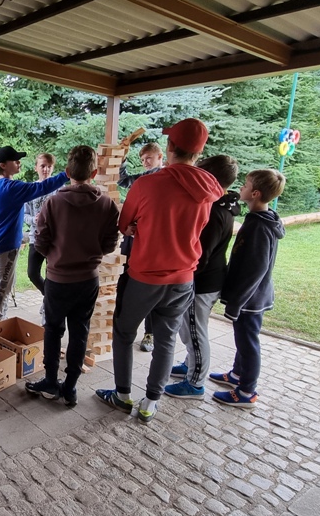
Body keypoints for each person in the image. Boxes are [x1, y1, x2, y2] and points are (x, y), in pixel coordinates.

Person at [95, 118, 224, 422]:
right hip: (183, 278)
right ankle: (150, 403)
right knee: (166, 341)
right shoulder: (208, 188)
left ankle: (122, 396)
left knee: (124, 332)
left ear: (169, 147)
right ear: (199, 152)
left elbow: (124, 224)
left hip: (145, 276)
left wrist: (137, 227)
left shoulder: (147, 184)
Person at [24, 145, 119, 406]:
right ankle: (71, 387)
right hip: (88, 280)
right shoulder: (107, 204)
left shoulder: (53, 202)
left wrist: (56, 256)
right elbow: (110, 244)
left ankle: (50, 381)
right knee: (80, 332)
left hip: (58, 279)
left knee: (53, 330)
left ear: (67, 172)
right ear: (94, 173)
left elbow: (40, 241)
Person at [164, 155, 240, 399]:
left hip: (203, 282)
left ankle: (195, 383)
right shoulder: (220, 205)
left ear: (210, 178)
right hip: (204, 278)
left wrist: (184, 275)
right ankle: (190, 365)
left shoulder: (215, 211)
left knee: (195, 333)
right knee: (189, 328)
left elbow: (201, 253)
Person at [209, 169, 286, 408]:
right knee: (242, 338)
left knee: (248, 343)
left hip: (251, 299)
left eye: (245, 184)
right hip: (251, 297)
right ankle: (237, 374)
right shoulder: (258, 219)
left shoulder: (260, 227)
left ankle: (246, 392)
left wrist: (237, 302)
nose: (240, 187)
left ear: (255, 193)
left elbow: (257, 269)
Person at [0, 146, 68, 321]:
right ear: (3, 165)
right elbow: (42, 187)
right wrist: (67, 174)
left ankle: (0, 319)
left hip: (3, 242)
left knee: (7, 283)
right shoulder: (10, 187)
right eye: (14, 160)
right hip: (7, 243)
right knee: (3, 285)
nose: (18, 162)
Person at [117, 142, 166, 352]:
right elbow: (123, 180)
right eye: (143, 159)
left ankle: (149, 333)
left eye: (149, 158)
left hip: (152, 243)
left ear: (160, 157)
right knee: (125, 278)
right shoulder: (144, 178)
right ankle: (122, 326)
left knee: (150, 289)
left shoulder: (165, 180)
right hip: (133, 238)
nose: (145, 162)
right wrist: (121, 159)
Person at [23, 152, 57, 296]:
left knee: (52, 274)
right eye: (43, 166)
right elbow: (24, 214)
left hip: (54, 239)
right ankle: (49, 297)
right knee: (32, 273)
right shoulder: (30, 189)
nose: (46, 169)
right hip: (35, 237)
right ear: (36, 168)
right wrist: (34, 220)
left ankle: (50, 303)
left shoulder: (59, 189)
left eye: (49, 166)